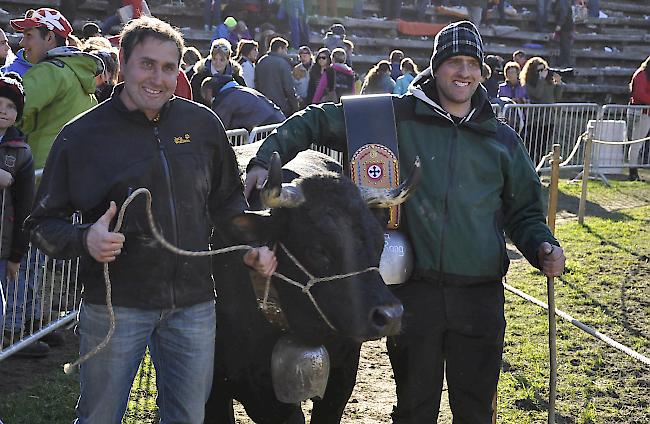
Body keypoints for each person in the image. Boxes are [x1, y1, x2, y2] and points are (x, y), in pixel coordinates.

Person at [243, 20, 565, 423]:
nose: (463, 72)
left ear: (483, 71)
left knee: (477, 409)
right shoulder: (389, 117)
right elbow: (314, 120)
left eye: (472, 63)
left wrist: (541, 246)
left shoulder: (502, 141)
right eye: (453, 62)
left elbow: (526, 212)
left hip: (480, 296)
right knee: (415, 409)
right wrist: (263, 157)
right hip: (417, 293)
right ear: (435, 67)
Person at [24, 16, 276, 424]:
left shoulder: (203, 125)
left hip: (193, 303)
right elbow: (40, 225)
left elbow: (228, 203)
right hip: (115, 307)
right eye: (146, 64)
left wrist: (250, 247)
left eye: (168, 67)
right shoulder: (81, 135)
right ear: (122, 63)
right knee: (100, 417)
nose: (158, 78)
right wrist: (86, 239)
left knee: (188, 417)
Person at [10, 7, 102, 170]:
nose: (22, 43)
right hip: (73, 171)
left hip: (41, 176)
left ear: (50, 37)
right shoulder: (76, 72)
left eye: (29, 36)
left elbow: (10, 111)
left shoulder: (48, 71)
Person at [0, 74, 46, 359]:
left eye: (10, 106)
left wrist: (17, 254)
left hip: (2, 245)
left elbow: (21, 200)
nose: (3, 110)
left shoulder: (20, 152)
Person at [202, 75, 286, 131]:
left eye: (205, 97)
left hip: (266, 127)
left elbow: (218, 128)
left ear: (209, 91)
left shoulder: (225, 99)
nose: (207, 102)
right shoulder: (240, 90)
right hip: (279, 121)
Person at [189, 38, 245, 105]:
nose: (217, 63)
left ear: (228, 60)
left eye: (221, 60)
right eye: (214, 59)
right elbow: (192, 100)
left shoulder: (237, 79)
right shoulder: (199, 77)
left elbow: (243, 100)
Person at [254, 37, 299, 116]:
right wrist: (295, 106)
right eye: (285, 49)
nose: (286, 52)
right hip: (281, 106)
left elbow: (256, 82)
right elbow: (288, 88)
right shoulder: (283, 63)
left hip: (263, 105)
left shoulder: (261, 61)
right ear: (280, 49)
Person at [627, 56, 650, 181]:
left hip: (645, 112)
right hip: (641, 112)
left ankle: (634, 170)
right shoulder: (641, 74)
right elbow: (639, 94)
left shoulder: (645, 74)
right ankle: (632, 171)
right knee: (636, 143)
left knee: (638, 143)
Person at [551, 0, 573, 67]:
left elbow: (564, 14)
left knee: (565, 45)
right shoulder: (558, 2)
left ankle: (567, 63)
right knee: (563, 45)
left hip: (565, 26)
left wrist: (559, 25)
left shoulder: (562, 2)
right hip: (564, 25)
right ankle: (562, 62)